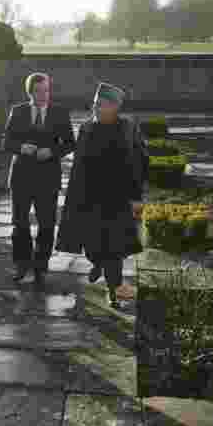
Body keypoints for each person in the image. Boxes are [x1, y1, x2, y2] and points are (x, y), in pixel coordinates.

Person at [55, 82, 149, 308]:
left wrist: (136, 196)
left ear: (115, 107)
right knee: (93, 248)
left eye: (103, 104)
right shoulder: (86, 128)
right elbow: (79, 165)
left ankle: (113, 291)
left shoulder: (128, 128)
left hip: (117, 200)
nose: (97, 108)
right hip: (89, 199)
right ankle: (97, 262)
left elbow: (141, 162)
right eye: (96, 104)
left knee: (114, 250)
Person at [2, 72, 76, 284]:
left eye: (46, 90)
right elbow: (6, 141)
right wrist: (21, 147)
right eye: (39, 91)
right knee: (19, 224)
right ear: (30, 92)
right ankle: (21, 264)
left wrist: (52, 152)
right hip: (21, 177)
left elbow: (70, 143)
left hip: (48, 178)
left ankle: (41, 267)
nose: (44, 95)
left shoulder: (59, 113)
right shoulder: (18, 111)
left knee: (47, 225)